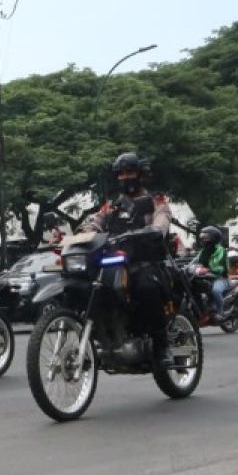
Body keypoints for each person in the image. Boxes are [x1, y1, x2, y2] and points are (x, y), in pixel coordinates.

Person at [83, 153, 175, 368]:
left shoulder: (155, 202)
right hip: (116, 263)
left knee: (146, 289)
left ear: (141, 175)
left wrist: (154, 230)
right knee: (92, 289)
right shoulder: (112, 206)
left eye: (130, 172)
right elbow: (95, 223)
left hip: (145, 262)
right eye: (122, 174)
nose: (126, 177)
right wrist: (83, 233)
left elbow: (162, 220)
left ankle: (162, 347)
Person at [195, 225, 229, 316]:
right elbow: (195, 261)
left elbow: (220, 267)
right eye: (203, 238)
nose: (204, 240)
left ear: (214, 238)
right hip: (206, 278)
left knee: (216, 291)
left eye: (206, 238)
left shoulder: (220, 250)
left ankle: (220, 312)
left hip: (220, 278)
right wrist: (185, 267)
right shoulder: (204, 251)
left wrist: (207, 269)